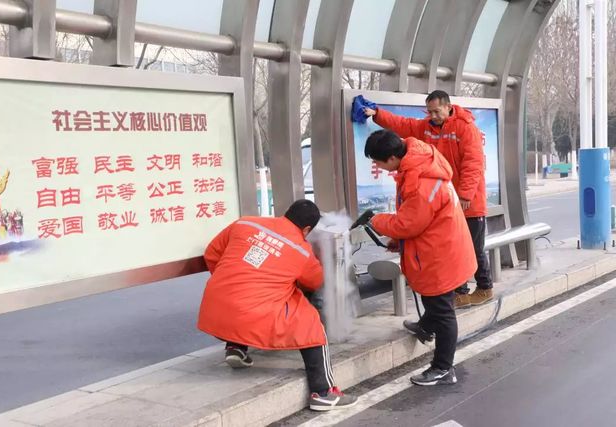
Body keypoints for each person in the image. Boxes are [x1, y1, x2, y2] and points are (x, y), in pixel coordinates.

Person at [197, 199, 358, 411]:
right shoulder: (302, 251)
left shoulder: (245, 223)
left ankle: (235, 347)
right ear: (307, 229)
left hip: (214, 308)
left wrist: (233, 282)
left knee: (244, 297)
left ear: (286, 212)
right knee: (311, 324)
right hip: (253, 314)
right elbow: (314, 282)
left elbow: (212, 253)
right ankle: (323, 392)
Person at [363, 130, 476, 385]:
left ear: (392, 158)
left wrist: (376, 220)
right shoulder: (419, 162)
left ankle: (443, 369)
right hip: (442, 244)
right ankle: (425, 327)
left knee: (443, 310)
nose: (379, 167)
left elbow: (408, 224)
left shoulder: (422, 182)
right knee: (437, 302)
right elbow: (419, 218)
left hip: (439, 254)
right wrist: (400, 241)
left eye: (379, 162)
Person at [361, 90, 492, 309]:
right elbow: (403, 124)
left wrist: (465, 195)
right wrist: (377, 114)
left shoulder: (466, 128)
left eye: (436, 111)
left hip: (467, 202)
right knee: (452, 249)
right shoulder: (427, 127)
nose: (432, 116)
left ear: (448, 107)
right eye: (429, 111)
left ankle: (485, 287)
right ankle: (459, 292)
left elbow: (474, 163)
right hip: (444, 201)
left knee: (473, 248)